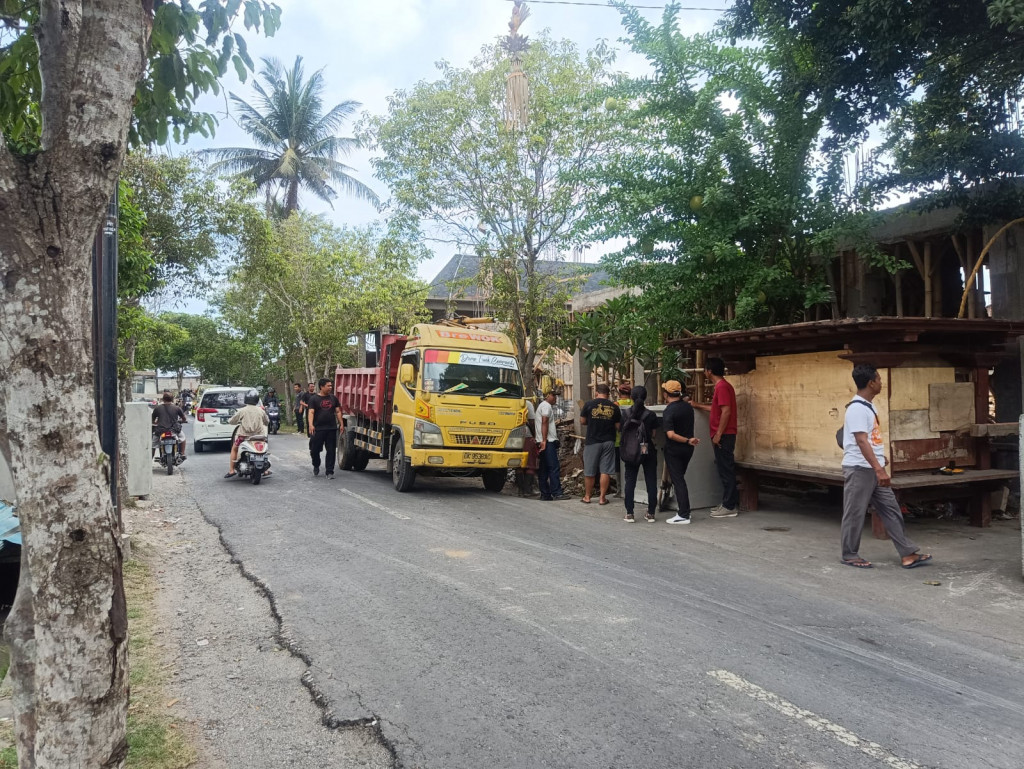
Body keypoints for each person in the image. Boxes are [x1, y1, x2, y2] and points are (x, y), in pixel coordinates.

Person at [840, 364, 933, 569]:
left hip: (872, 467)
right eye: (879, 379)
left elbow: (870, 439)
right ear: (871, 383)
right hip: (859, 469)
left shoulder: (868, 406)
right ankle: (850, 554)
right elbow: (861, 440)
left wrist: (880, 459)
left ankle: (907, 553)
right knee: (855, 513)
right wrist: (879, 468)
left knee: (891, 510)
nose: (881, 383)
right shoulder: (857, 408)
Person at [693, 356, 739, 518]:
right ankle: (727, 502)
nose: (704, 372)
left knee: (726, 469)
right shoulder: (722, 387)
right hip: (723, 434)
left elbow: (726, 411)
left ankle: (729, 506)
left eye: (705, 370)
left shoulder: (722, 387)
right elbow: (716, 409)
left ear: (709, 371)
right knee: (723, 468)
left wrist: (718, 434)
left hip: (724, 435)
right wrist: (697, 405)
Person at [660, 380, 700, 524]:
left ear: (666, 394)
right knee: (679, 479)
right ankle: (683, 511)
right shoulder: (687, 407)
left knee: (678, 481)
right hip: (688, 450)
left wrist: (687, 440)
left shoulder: (669, 411)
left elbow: (670, 434)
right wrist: (689, 441)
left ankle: (684, 514)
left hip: (675, 449)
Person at [621, 386, 659, 523]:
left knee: (630, 480)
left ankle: (629, 513)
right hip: (645, 447)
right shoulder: (651, 415)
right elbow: (653, 434)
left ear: (631, 397)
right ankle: (651, 513)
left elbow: (621, 430)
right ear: (645, 397)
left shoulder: (625, 414)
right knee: (651, 479)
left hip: (631, 448)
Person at [580, 383, 621, 505]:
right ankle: (602, 498)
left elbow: (582, 421)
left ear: (596, 392)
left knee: (590, 471)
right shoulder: (614, 407)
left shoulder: (589, 404)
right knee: (605, 470)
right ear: (608, 394)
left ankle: (587, 497)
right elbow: (618, 426)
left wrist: (593, 422)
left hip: (592, 441)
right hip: (609, 442)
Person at [224, 391, 269, 479]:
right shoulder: (261, 411)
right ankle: (266, 470)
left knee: (234, 448)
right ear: (256, 400)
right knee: (264, 450)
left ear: (246, 399)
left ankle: (231, 470)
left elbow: (232, 421)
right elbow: (267, 422)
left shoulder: (242, 410)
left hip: (244, 436)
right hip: (259, 437)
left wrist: (230, 421)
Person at [535, 390, 570, 501]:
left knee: (544, 469)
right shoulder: (546, 406)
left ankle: (545, 494)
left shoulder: (542, 405)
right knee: (553, 467)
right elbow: (544, 421)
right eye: (553, 395)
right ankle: (557, 492)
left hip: (542, 441)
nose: (555, 398)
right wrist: (544, 441)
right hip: (547, 442)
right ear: (547, 396)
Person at [307, 378, 343, 478]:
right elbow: (311, 412)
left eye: (331, 386)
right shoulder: (314, 399)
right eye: (328, 386)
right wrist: (311, 425)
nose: (330, 387)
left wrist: (341, 424)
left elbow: (338, 411)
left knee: (331, 450)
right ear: (321, 387)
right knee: (314, 450)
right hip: (318, 429)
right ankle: (316, 464)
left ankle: (329, 471)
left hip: (331, 428)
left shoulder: (333, 398)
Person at [151, 392, 187, 461]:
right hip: (174, 430)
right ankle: (182, 454)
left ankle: (150, 459)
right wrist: (181, 421)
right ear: (172, 399)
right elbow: (184, 419)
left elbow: (152, 420)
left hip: (160, 430)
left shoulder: (157, 408)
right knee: (183, 438)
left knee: (153, 444)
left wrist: (156, 423)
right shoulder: (177, 408)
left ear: (163, 399)